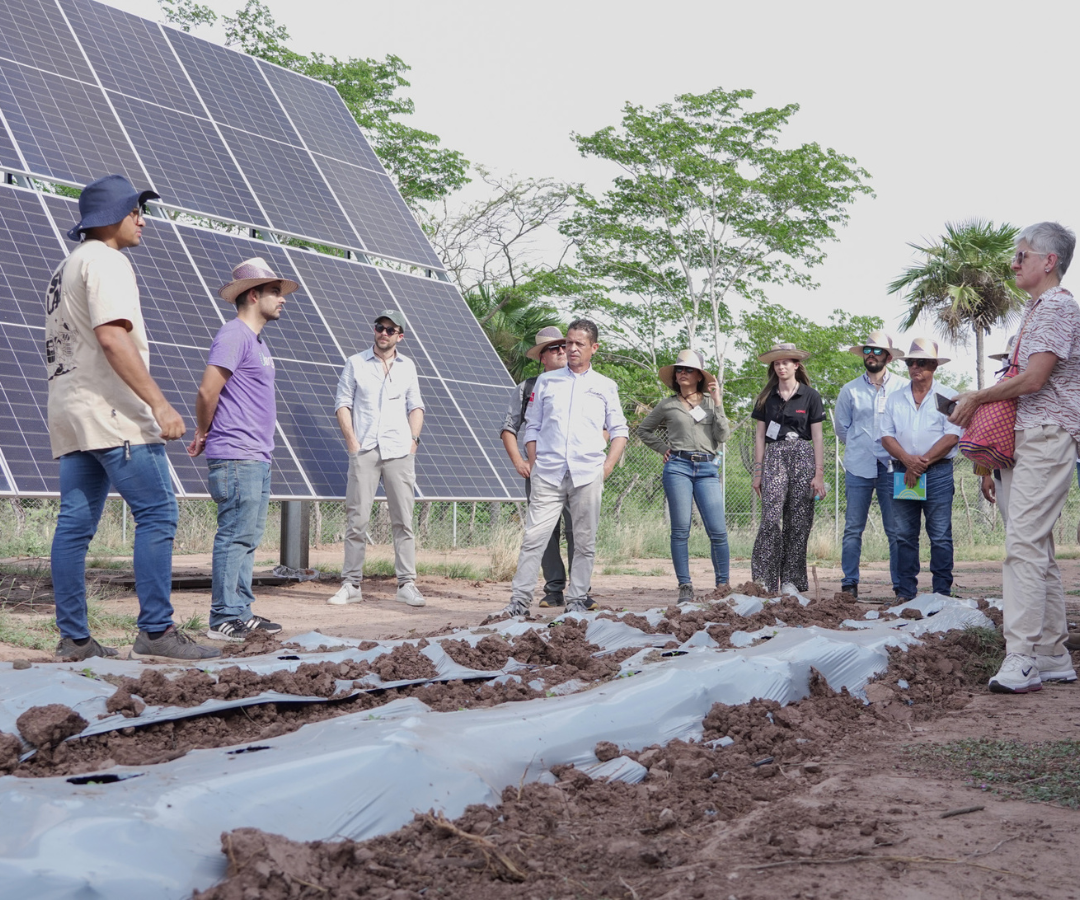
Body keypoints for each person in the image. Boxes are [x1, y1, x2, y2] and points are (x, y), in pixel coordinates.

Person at [45, 174, 219, 662]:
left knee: (74, 524)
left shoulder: (66, 267)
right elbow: (112, 338)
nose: (142, 220)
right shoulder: (107, 261)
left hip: (71, 412)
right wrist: (159, 404)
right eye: (136, 211)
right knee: (158, 512)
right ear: (113, 217)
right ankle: (156, 632)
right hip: (113, 411)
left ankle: (74, 640)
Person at [951, 222, 1080, 693]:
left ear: (1049, 261)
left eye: (1021, 254)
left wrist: (979, 397)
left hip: (1047, 435)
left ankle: (1021, 655)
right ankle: (1050, 653)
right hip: (1029, 436)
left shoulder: (1057, 307)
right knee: (1036, 547)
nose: (1013, 263)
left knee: (1022, 544)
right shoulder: (1037, 310)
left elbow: (1034, 379)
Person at [187, 258, 291, 641]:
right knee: (234, 535)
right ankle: (222, 618)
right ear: (253, 294)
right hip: (236, 454)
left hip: (257, 455)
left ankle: (241, 611)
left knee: (248, 537)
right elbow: (207, 390)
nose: (282, 300)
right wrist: (202, 429)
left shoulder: (257, 341)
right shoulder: (234, 335)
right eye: (275, 292)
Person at [502, 319, 629, 616]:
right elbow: (531, 426)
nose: (571, 349)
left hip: (587, 474)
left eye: (578, 344)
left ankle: (575, 602)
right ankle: (519, 603)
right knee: (534, 538)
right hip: (548, 473)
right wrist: (534, 463)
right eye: (568, 342)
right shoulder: (545, 383)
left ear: (593, 348)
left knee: (584, 541)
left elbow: (619, 429)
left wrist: (606, 467)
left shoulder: (605, 386)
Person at [329, 310, 426, 608]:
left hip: (399, 451)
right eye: (379, 327)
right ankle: (351, 584)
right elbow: (342, 403)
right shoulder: (355, 363)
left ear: (400, 335)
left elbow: (416, 406)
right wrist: (353, 443)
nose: (383, 333)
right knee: (357, 520)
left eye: (390, 329)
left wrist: (412, 442)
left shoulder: (408, 367)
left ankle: (406, 584)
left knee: (404, 521)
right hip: (366, 449)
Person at [637, 348, 731, 601]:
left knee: (718, 531)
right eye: (679, 369)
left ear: (699, 375)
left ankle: (723, 586)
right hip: (678, 466)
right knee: (681, 530)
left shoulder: (711, 403)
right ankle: (685, 587)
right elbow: (644, 430)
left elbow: (722, 436)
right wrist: (663, 448)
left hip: (707, 469)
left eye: (688, 369)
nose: (682, 373)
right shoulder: (667, 404)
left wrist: (719, 402)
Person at [880, 338, 962, 603]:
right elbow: (886, 435)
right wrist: (908, 460)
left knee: (939, 535)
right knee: (904, 534)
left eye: (922, 362)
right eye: (911, 362)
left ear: (934, 366)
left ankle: (941, 593)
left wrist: (921, 462)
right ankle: (906, 593)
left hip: (936, 472)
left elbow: (952, 436)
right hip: (904, 472)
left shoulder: (947, 396)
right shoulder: (896, 398)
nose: (915, 367)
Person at [501, 327, 575, 609]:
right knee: (545, 532)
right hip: (542, 471)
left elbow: (603, 428)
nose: (561, 351)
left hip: (576, 472)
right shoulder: (527, 389)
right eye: (554, 348)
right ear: (541, 357)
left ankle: (581, 590)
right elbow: (509, 428)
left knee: (577, 530)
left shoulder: (579, 384)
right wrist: (520, 462)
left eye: (563, 346)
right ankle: (554, 589)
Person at [833, 331, 906, 599]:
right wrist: (858, 444)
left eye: (877, 351)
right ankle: (849, 584)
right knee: (853, 528)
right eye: (867, 351)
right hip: (858, 465)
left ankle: (901, 586)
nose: (871, 355)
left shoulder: (902, 387)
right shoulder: (850, 389)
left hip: (893, 466)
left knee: (896, 530)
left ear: (888, 357)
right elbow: (842, 428)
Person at [750, 343, 826, 595]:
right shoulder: (765, 397)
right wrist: (758, 472)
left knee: (799, 519)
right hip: (774, 456)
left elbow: (817, 437)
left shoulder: (811, 396)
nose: (781, 366)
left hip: (803, 456)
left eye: (786, 362)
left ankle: (791, 581)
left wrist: (819, 474)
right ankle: (764, 581)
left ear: (796, 365)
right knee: (771, 517)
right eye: (776, 362)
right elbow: (760, 437)